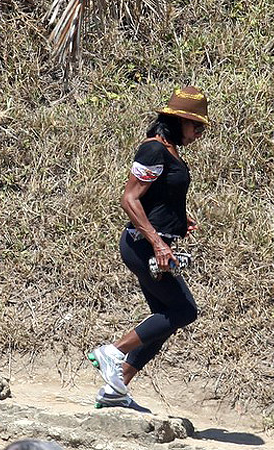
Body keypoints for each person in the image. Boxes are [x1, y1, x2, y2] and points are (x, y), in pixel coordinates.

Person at [87, 86, 210, 408]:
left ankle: (116, 389)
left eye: (202, 128)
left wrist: (179, 220)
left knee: (163, 318)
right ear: (178, 120)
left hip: (154, 244)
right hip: (142, 246)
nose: (199, 132)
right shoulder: (154, 150)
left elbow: (159, 196)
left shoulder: (169, 150)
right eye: (196, 125)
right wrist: (158, 243)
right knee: (184, 310)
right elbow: (130, 199)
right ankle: (112, 352)